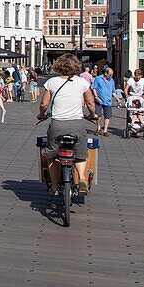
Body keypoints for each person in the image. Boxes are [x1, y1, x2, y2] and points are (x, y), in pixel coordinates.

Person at [39, 54, 97, 194]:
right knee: (80, 154)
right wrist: (92, 115)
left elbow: (44, 104)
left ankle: (54, 186)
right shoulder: (82, 82)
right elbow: (90, 103)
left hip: (57, 124)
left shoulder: (52, 82)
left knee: (51, 155)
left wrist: (41, 115)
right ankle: (82, 178)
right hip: (77, 124)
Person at [91, 66, 116, 136]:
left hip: (108, 100)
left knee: (107, 116)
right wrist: (96, 97)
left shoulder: (111, 80)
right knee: (98, 115)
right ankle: (98, 128)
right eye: (110, 75)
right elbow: (94, 88)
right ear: (105, 73)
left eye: (112, 75)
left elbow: (113, 91)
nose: (111, 76)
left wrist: (117, 98)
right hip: (99, 99)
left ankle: (105, 130)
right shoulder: (98, 78)